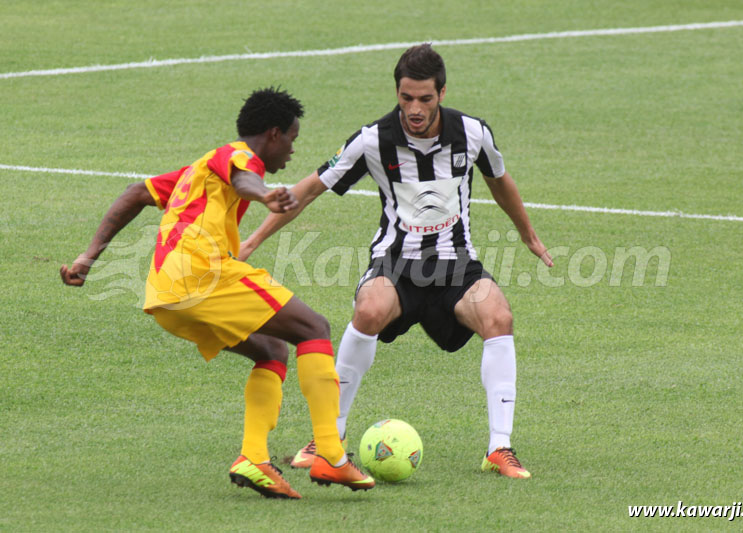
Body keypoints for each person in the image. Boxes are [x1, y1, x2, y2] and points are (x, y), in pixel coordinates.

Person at [239, 46, 554, 479]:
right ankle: (328, 438)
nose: (415, 108)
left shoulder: (472, 133)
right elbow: (309, 189)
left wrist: (528, 236)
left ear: (441, 92)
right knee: (368, 309)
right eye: (406, 97)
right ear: (398, 92)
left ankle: (499, 448)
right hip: (395, 263)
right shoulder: (374, 139)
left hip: (456, 264)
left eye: (425, 98)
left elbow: (500, 180)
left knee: (499, 316)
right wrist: (252, 240)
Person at [60, 87, 375, 499]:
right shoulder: (236, 156)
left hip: (165, 295)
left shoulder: (199, 169)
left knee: (271, 351)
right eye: (293, 140)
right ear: (274, 133)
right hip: (202, 276)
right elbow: (245, 177)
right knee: (314, 327)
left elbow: (136, 193)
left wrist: (88, 256)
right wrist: (264, 193)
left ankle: (254, 458)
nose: (292, 153)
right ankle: (331, 456)